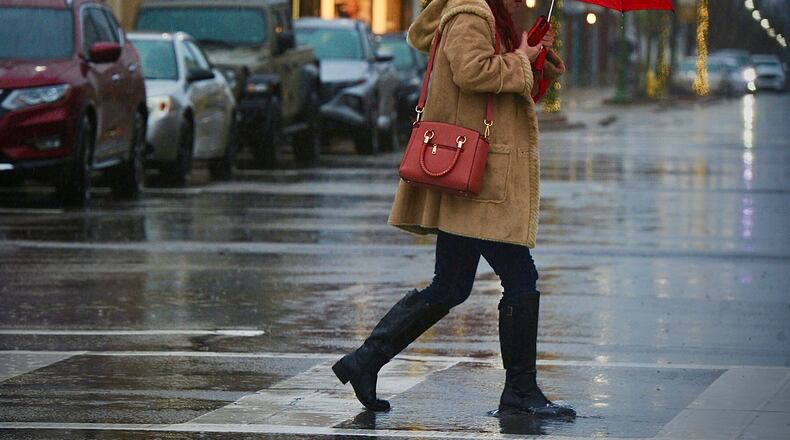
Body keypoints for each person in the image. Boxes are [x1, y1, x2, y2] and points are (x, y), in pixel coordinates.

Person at [331, 0, 573, 418]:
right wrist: (520, 58)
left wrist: (534, 53)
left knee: (451, 286)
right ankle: (519, 391)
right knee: (520, 277)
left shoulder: (494, 18)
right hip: (480, 176)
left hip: (480, 176)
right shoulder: (470, 15)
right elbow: (473, 72)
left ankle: (365, 361)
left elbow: (511, 88)